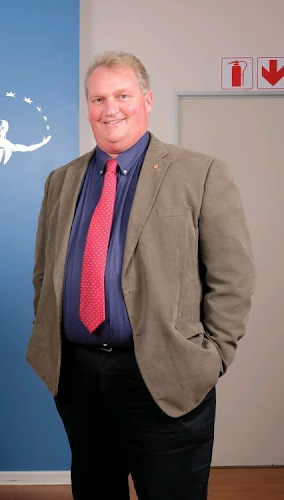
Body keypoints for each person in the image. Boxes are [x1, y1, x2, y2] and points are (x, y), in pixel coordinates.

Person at [26, 51, 254, 499]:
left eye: (122, 95)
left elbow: (232, 277)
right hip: (79, 376)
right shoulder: (61, 180)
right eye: (98, 99)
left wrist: (214, 357)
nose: (110, 108)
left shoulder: (199, 172)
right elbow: (43, 273)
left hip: (165, 374)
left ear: (147, 100)